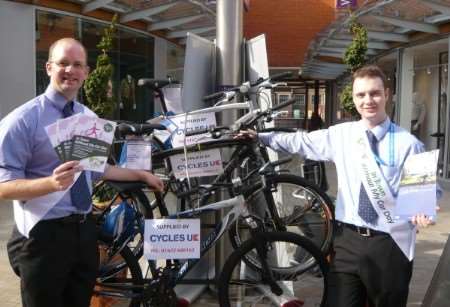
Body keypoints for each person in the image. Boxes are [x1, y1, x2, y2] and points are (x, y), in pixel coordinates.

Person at [238, 65, 433, 307]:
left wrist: (422, 210)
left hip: (390, 244)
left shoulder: (409, 144)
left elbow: (425, 192)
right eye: (361, 95)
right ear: (353, 97)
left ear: (387, 94)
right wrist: (261, 137)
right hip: (346, 241)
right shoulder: (342, 135)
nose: (368, 100)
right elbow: (301, 141)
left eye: (375, 93)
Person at [0, 38, 164, 307]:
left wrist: (142, 175)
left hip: (84, 231)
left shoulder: (87, 117)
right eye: (63, 63)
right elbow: (4, 186)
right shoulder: (22, 120)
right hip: (44, 235)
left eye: (77, 64)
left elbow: (97, 169)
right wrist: (50, 183)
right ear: (49, 67)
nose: (70, 70)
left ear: (86, 72)